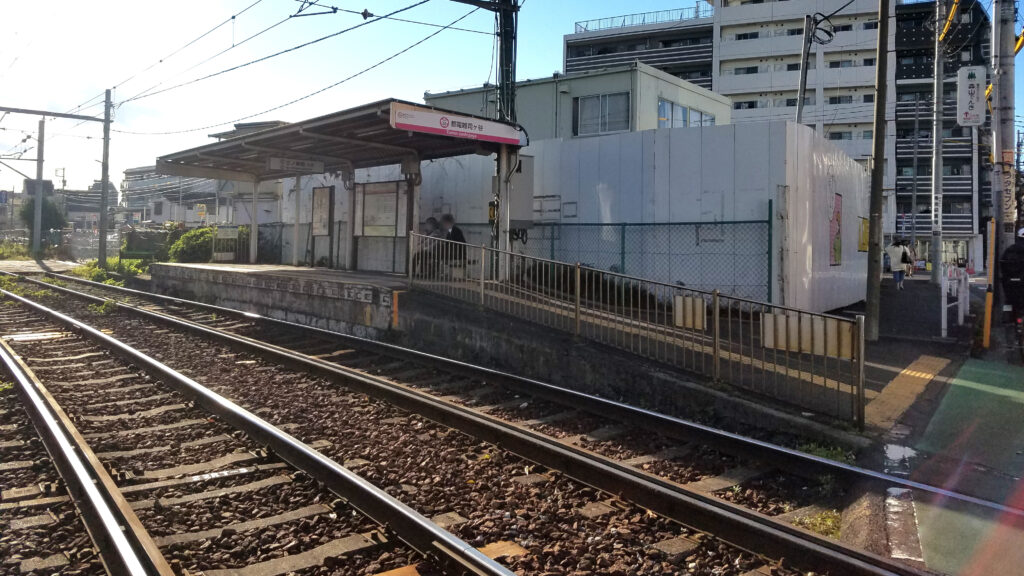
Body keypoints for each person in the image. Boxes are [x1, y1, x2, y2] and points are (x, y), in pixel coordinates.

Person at [999, 227, 1024, 318]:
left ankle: (1006, 315)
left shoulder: (1010, 249)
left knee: (1008, 300)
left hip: (1009, 282)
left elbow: (1002, 264)